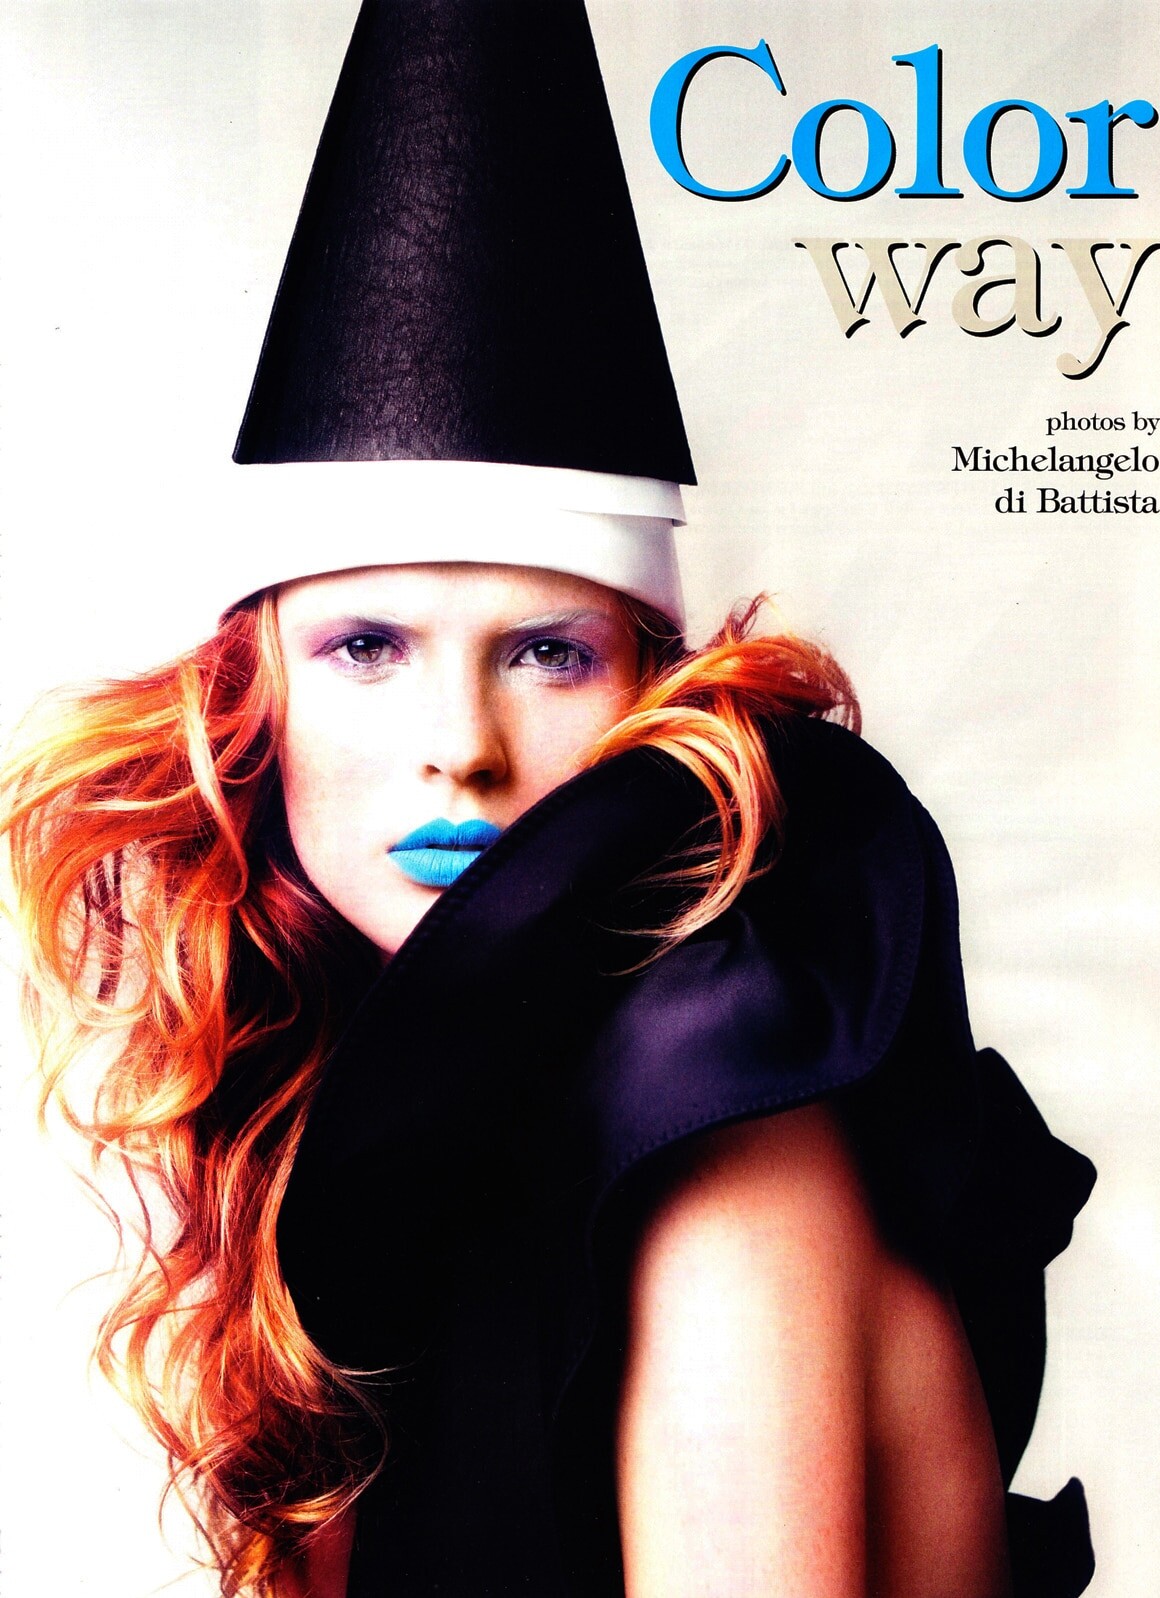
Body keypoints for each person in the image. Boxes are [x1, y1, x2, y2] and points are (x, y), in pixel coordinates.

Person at [0, 3, 1096, 1595]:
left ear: (648, 689)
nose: (463, 746)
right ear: (256, 695)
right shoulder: (387, 1116)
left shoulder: (715, 1118)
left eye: (547, 652)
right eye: (367, 646)